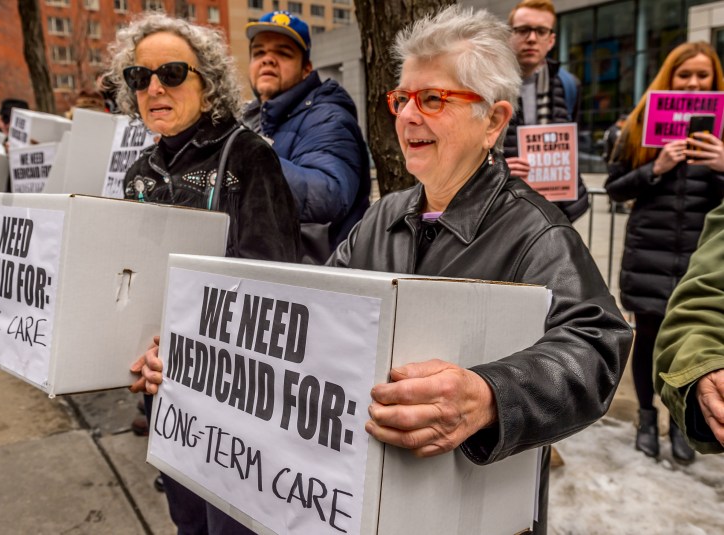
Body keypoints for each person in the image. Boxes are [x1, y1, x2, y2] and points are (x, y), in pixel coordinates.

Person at [134, 7, 632, 534]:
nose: (409, 116)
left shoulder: (536, 232)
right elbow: (309, 320)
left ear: (494, 121)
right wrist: (199, 358)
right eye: (403, 99)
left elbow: (598, 346)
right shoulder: (385, 215)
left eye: (433, 99)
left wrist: (489, 395)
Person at [111, 12, 301, 535]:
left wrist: (191, 344)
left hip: (231, 395)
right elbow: (128, 283)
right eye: (138, 77)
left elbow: (273, 284)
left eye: (171, 73)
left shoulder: (248, 156)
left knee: (231, 526)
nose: (153, 88)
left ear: (207, 82)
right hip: (163, 389)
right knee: (187, 521)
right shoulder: (138, 174)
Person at [605, 41, 724, 464]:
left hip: (702, 257)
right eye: (684, 74)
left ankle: (678, 422)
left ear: (715, 80)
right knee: (649, 339)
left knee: (692, 340)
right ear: (669, 78)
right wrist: (654, 168)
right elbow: (616, 188)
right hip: (649, 253)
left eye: (702, 75)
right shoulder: (638, 125)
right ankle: (644, 417)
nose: (693, 83)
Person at [242, 11, 371, 264]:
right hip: (266, 275)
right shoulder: (250, 118)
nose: (268, 60)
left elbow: (328, 194)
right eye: (259, 53)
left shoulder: (329, 116)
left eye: (283, 53)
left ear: (306, 69)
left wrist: (251, 159)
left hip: (317, 283)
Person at [503, 0, 589, 222]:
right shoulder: (488, 84)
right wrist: (496, 169)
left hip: (554, 209)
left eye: (540, 31)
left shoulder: (569, 85)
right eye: (522, 30)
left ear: (551, 40)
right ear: (508, 35)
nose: (531, 38)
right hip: (504, 207)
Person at [654, 200, 724, 454]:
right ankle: (649, 419)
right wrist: (705, 366)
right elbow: (705, 300)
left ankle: (677, 427)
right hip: (651, 255)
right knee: (646, 334)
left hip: (687, 247)